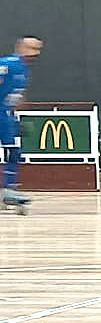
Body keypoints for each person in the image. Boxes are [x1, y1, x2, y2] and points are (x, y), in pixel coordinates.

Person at [0, 35, 41, 209]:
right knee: (12, 150)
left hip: (7, 116)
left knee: (14, 151)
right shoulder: (8, 64)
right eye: (32, 48)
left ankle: (9, 190)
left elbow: (16, 94)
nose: (35, 53)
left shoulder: (24, 70)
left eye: (38, 49)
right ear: (21, 48)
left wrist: (18, 110)